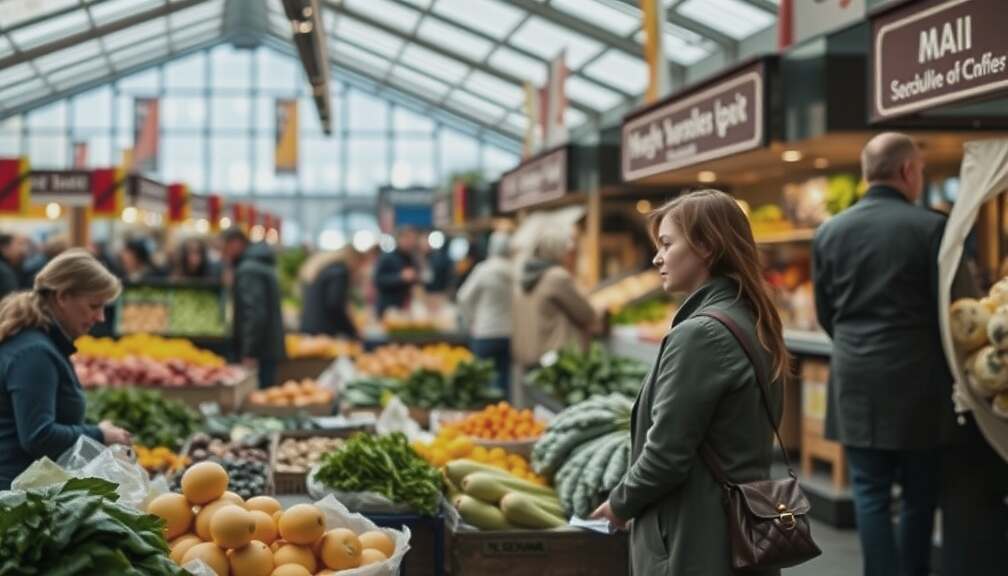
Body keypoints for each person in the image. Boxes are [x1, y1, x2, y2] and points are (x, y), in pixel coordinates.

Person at [591, 190, 789, 576]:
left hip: (696, 539)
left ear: (707, 247)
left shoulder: (700, 335)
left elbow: (666, 455)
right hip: (744, 529)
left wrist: (618, 506)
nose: (657, 257)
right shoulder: (750, 317)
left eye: (667, 244)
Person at [812, 132, 953, 576]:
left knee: (868, 493)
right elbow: (949, 311)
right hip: (920, 379)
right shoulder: (932, 228)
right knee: (918, 494)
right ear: (909, 171)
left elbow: (825, 311)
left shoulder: (830, 231)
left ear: (865, 172)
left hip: (856, 376)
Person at [0, 249, 132, 489]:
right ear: (62, 297)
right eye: (94, 306)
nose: (101, 317)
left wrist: (98, 430)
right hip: (16, 500)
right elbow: (39, 437)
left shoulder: (40, 343)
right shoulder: (35, 353)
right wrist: (101, 435)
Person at [511, 224, 597, 368]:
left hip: (528, 357)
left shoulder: (524, 275)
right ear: (558, 251)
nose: (569, 255)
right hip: (555, 360)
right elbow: (586, 314)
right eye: (567, 250)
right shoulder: (557, 277)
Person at [221, 229, 285, 390]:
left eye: (225, 247)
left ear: (236, 243)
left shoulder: (249, 270)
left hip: (259, 351)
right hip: (267, 347)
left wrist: (250, 351)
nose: (224, 253)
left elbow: (254, 313)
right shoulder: (259, 264)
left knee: (257, 397)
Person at [457, 231, 513, 397]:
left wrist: (470, 320)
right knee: (505, 380)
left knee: (481, 381)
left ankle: (483, 415)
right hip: (509, 333)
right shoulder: (515, 271)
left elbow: (463, 297)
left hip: (485, 332)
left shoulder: (483, 270)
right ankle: (504, 414)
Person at [299, 247, 360, 339]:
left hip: (308, 327)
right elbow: (335, 304)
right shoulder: (340, 271)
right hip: (324, 332)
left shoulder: (322, 268)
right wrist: (352, 331)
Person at [373, 227, 419, 317]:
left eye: (412, 239)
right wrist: (400, 277)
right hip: (387, 307)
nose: (410, 242)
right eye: (407, 238)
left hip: (406, 307)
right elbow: (378, 280)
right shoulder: (387, 258)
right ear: (399, 239)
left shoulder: (412, 258)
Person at [0, 232, 28, 301]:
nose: (24, 249)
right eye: (20, 244)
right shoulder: (4, 273)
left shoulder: (17, 266)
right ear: (5, 248)